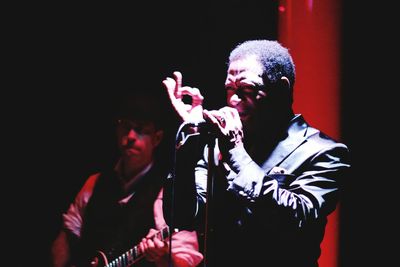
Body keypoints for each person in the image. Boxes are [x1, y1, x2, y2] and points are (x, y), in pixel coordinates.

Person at [162, 39, 350, 267]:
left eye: (247, 90)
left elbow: (296, 220)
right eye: (229, 89)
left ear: (281, 89)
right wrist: (191, 137)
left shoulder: (324, 152)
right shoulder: (219, 144)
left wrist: (237, 153)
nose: (233, 100)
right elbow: (182, 216)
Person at [50, 90, 203, 267]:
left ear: (157, 138)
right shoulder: (94, 182)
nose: (130, 136)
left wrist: (163, 258)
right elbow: (67, 235)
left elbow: (187, 261)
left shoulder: (168, 193)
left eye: (140, 129)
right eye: (125, 126)